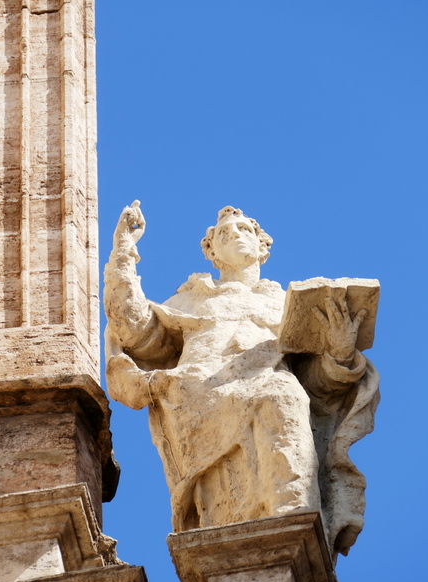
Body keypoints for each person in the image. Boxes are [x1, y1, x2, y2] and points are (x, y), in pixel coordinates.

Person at [104, 202, 379, 557]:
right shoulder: (191, 299)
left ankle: (295, 525)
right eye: (223, 233)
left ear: (263, 246)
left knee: (285, 393)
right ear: (211, 252)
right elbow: (133, 329)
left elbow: (317, 387)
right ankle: (291, 524)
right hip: (199, 393)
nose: (234, 234)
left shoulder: (284, 305)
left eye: (244, 229)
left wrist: (339, 355)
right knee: (279, 394)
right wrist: (124, 252)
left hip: (267, 389)